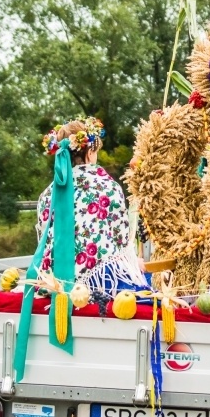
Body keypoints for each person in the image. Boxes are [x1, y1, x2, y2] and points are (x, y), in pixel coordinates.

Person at [35, 116, 148, 296]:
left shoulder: (46, 195)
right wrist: (136, 264)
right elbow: (121, 243)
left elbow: (43, 244)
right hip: (98, 288)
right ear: (89, 153)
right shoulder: (108, 187)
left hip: (52, 288)